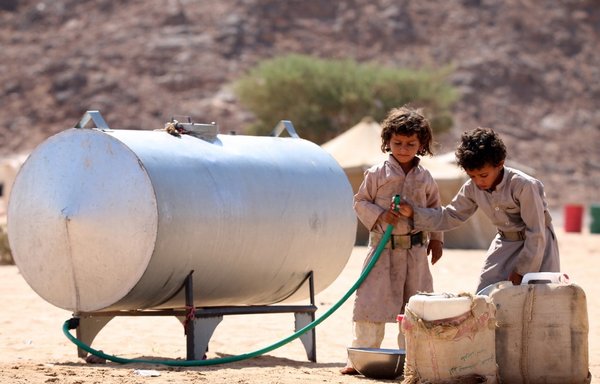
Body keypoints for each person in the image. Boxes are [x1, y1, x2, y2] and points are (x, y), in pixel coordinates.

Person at [341, 106, 443, 375]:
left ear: (421, 145)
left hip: (415, 254)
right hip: (382, 252)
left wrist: (437, 240)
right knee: (371, 304)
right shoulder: (376, 174)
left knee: (415, 307)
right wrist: (381, 214)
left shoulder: (425, 178)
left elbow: (436, 211)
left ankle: (414, 362)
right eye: (397, 143)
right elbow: (360, 201)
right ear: (388, 141)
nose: (403, 148)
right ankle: (360, 358)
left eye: (411, 144)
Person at [397, 127, 560, 293]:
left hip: (538, 245)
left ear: (500, 164)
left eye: (483, 175)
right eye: (472, 176)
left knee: (536, 296)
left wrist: (522, 270)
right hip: (505, 242)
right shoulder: (472, 188)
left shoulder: (524, 186)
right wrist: (413, 213)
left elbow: (536, 232)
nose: (478, 181)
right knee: (486, 294)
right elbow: (449, 216)